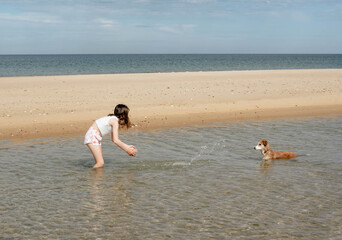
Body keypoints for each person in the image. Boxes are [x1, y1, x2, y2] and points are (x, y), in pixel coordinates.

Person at [84, 104, 137, 168]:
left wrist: (127, 146)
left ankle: (96, 176)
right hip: (93, 136)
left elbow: (113, 139)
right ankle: (91, 176)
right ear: (124, 115)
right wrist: (127, 149)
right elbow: (115, 140)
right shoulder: (114, 121)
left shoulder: (112, 119)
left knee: (99, 163)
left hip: (92, 136)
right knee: (100, 163)